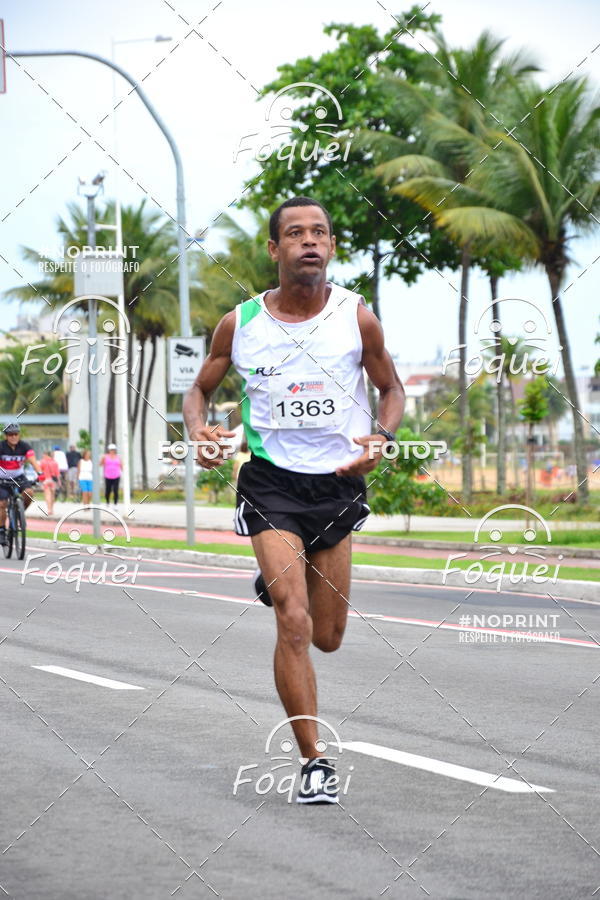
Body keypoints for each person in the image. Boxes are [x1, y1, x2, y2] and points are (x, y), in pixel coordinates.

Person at [183, 196, 404, 804]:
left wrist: (382, 437)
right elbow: (199, 389)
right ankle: (314, 761)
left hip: (336, 483)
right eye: (296, 233)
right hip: (271, 483)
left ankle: (284, 577)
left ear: (330, 246)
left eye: (320, 233)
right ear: (274, 248)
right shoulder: (241, 324)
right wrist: (198, 431)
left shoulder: (356, 318)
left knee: (328, 635)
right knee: (294, 619)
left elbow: (391, 388)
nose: (310, 241)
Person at [0, 423, 43, 544]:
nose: (13, 437)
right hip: (2, 479)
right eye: (10, 435)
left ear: (19, 435)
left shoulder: (24, 446)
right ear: (6, 436)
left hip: (19, 477)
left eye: (16, 434)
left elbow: (32, 460)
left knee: (29, 493)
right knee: (2, 504)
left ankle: (19, 513)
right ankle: (1, 530)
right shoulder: (1, 446)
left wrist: (40, 473)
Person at [40, 449, 60, 516]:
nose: (43, 456)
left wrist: (40, 481)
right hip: (53, 481)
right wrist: (59, 482)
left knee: (47, 495)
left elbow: (40, 472)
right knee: (52, 495)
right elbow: (57, 473)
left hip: (46, 480)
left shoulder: (43, 462)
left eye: (43, 455)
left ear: (46, 454)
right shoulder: (55, 462)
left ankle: (49, 510)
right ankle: (52, 509)